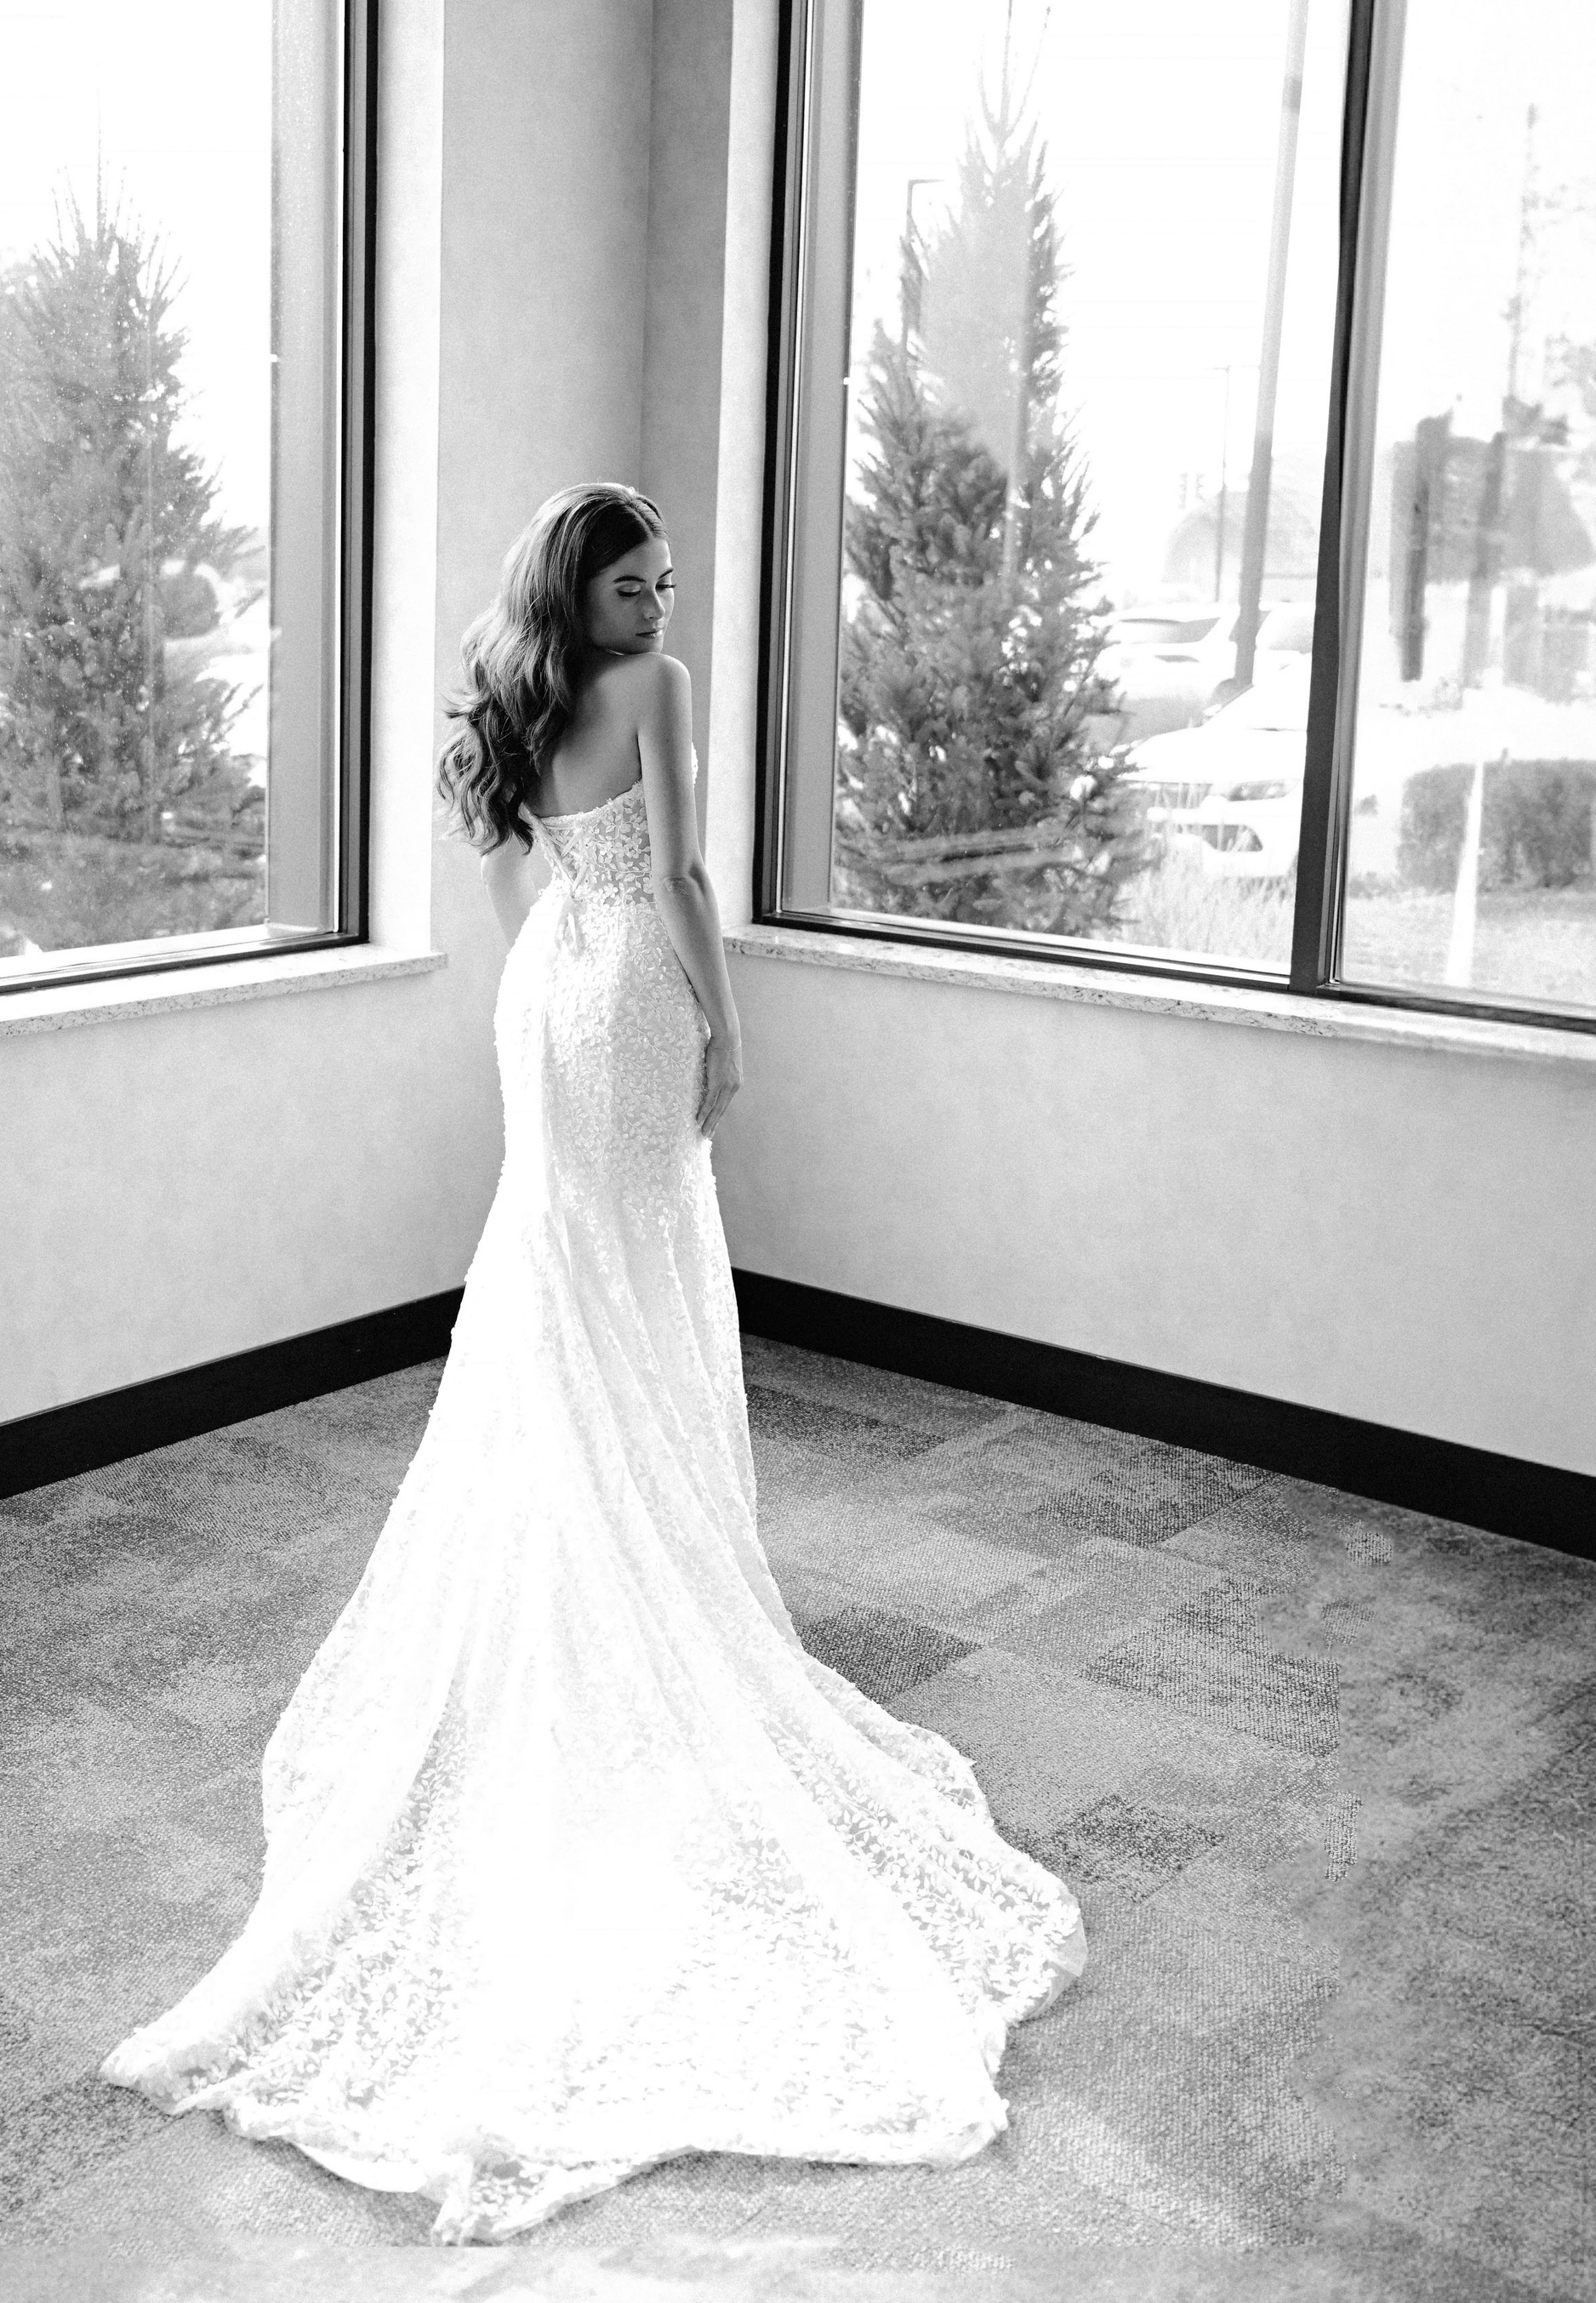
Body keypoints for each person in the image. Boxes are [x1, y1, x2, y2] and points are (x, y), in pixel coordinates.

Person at [100, 482, 1086, 2243]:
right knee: (624, 1276)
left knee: (568, 1283)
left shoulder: (518, 684)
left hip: (547, 990)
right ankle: (649, 1570)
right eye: (637, 579)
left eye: (668, 580)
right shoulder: (665, 687)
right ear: (588, 582)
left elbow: (525, 891)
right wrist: (726, 1023)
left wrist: (572, 990)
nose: (661, 598)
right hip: (630, 988)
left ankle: (611, 1543)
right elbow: (689, 872)